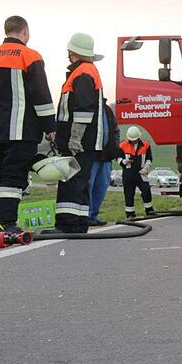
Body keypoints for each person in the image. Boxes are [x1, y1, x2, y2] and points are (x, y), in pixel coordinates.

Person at [0, 17, 55, 236]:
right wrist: (50, 126)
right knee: (14, 176)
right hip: (22, 128)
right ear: (25, 31)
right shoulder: (30, 56)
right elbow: (40, 95)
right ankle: (6, 223)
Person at [54, 33, 106, 234]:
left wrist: (74, 138)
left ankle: (67, 224)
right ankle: (79, 222)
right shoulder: (88, 71)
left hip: (80, 141)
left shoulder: (83, 73)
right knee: (81, 181)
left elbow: (84, 109)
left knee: (70, 181)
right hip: (88, 141)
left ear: (72, 52)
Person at [87, 100, 120, 226]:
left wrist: (114, 149)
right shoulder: (89, 107)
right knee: (89, 185)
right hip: (92, 155)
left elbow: (115, 129)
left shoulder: (107, 110)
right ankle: (87, 214)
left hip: (106, 155)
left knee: (102, 185)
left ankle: (94, 215)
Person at [119, 126, 154, 218]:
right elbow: (118, 158)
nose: (133, 141)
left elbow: (149, 159)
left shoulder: (146, 145)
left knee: (146, 190)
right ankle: (130, 213)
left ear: (139, 137)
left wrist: (146, 168)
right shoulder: (123, 145)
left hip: (141, 173)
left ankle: (149, 210)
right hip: (128, 174)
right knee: (129, 193)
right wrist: (123, 161)